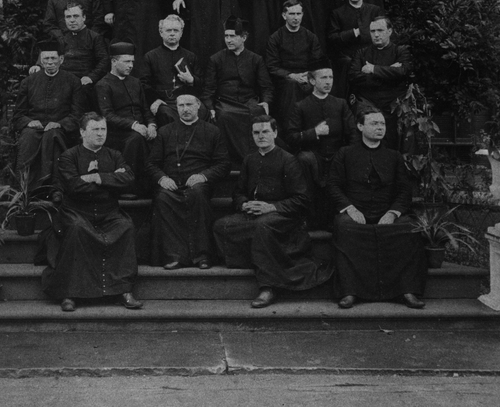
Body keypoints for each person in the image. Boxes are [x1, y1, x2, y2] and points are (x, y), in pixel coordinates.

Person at [214, 115, 333, 308]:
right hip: (254, 211)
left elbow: (301, 199)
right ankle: (256, 261)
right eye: (256, 133)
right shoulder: (249, 160)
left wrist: (271, 207)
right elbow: (238, 193)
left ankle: (268, 286)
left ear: (275, 133)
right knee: (221, 225)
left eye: (265, 132)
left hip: (283, 215)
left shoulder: (288, 160)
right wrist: (244, 204)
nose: (261, 136)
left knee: (263, 227)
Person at [40, 112, 143, 312]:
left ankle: (123, 289)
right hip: (77, 211)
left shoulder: (115, 155)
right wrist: (111, 179)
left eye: (103, 129)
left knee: (126, 226)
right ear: (82, 132)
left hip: (109, 212)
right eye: (95, 129)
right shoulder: (69, 156)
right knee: (78, 230)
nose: (100, 134)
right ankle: (70, 293)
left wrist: (96, 177)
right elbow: (73, 186)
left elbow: (129, 179)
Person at [328, 109, 427, 309]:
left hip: (386, 211)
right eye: (374, 124)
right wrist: (350, 209)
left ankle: (407, 290)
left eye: (382, 124)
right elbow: (333, 185)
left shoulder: (394, 156)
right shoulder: (345, 153)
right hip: (354, 211)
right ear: (360, 127)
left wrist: (392, 213)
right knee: (345, 228)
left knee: (408, 228)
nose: (380, 128)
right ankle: (349, 291)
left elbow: (404, 190)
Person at [146, 94, 230, 269]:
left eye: (189, 104)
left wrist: (203, 176)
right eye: (181, 105)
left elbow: (223, 164)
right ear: (176, 108)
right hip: (171, 183)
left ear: (198, 105)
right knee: (162, 198)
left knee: (197, 194)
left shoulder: (212, 131)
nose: (185, 109)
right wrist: (162, 178)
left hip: (199, 184)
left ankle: (203, 256)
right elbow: (151, 164)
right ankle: (174, 255)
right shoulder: (165, 131)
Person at [286, 59, 357, 229]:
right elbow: (291, 137)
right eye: (323, 78)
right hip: (313, 157)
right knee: (304, 159)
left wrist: (348, 153)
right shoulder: (301, 106)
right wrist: (314, 133)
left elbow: (352, 132)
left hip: (336, 155)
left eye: (331, 77)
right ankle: (309, 220)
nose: (328, 82)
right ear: (312, 81)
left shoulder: (340, 104)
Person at [13, 40, 85, 194]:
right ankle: (27, 190)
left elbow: (77, 114)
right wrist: (29, 122)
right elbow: (18, 115)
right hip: (34, 129)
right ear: (41, 60)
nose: (50, 63)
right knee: (28, 138)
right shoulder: (28, 82)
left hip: (61, 130)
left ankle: (56, 189)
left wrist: (60, 124)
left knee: (53, 136)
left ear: (61, 59)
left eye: (53, 59)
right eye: (46, 59)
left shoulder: (73, 82)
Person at [202, 17, 273, 162]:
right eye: (226, 36)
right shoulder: (216, 59)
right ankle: (232, 160)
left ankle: (256, 159)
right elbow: (208, 89)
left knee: (258, 113)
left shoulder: (255, 59)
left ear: (244, 37)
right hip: (225, 102)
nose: (228, 40)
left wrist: (266, 102)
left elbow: (266, 87)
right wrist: (210, 107)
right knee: (224, 116)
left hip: (249, 102)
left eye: (232, 36)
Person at [96, 42, 157, 197]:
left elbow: (145, 109)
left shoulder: (135, 82)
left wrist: (152, 125)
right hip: (118, 132)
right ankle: (128, 187)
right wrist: (133, 125)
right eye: (126, 61)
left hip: (141, 129)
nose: (131, 65)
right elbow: (107, 115)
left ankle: (155, 185)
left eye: (132, 62)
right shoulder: (103, 84)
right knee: (135, 140)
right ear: (114, 61)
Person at [31, 4, 109, 110]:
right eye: (68, 17)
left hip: (84, 80)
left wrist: (91, 77)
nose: (72, 20)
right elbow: (48, 51)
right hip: (62, 79)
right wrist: (39, 66)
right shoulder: (62, 37)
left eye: (76, 16)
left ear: (84, 18)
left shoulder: (95, 37)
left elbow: (104, 61)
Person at [348, 16, 411, 149]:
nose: (376, 35)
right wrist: (389, 73)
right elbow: (354, 77)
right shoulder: (361, 53)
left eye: (380, 30)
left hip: (392, 106)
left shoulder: (400, 51)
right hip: (368, 103)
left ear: (389, 31)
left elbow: (403, 72)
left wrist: (373, 69)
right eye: (372, 31)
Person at [265, 0, 324, 134]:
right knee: (291, 86)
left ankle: (312, 132)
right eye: (292, 14)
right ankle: (291, 132)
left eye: (298, 14)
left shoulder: (310, 37)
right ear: (284, 16)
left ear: (303, 15)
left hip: (307, 77)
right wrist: (291, 75)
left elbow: (318, 61)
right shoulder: (275, 38)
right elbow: (272, 66)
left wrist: (308, 75)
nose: (296, 18)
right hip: (284, 79)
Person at [327, 0, 385, 99]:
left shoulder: (374, 10)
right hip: (347, 56)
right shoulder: (338, 13)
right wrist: (354, 32)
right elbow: (333, 37)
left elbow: (383, 32)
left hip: (371, 54)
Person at [140, 15, 204, 126]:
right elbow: (143, 83)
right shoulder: (150, 56)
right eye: (168, 30)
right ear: (161, 32)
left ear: (181, 32)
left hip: (186, 99)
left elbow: (202, 82)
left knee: (203, 111)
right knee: (166, 114)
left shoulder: (190, 56)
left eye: (176, 30)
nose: (172, 33)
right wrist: (155, 100)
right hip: (164, 101)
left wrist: (192, 80)